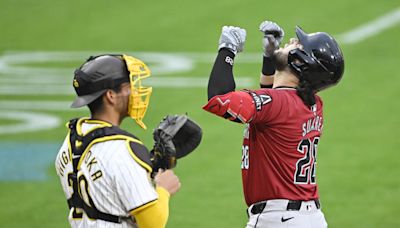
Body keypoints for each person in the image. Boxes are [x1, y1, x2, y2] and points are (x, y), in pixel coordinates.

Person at [203, 21, 344, 228]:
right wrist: (270, 57)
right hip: (308, 218)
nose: (293, 41)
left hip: (279, 220)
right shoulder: (312, 104)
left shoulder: (279, 104)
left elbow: (219, 98)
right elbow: (273, 100)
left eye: (299, 45)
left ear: (301, 62)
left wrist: (228, 49)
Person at [55, 54, 181, 228]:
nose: (135, 91)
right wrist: (164, 189)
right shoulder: (122, 150)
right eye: (128, 86)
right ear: (111, 96)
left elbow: (106, 191)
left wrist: (147, 171)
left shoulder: (70, 142)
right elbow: (152, 223)